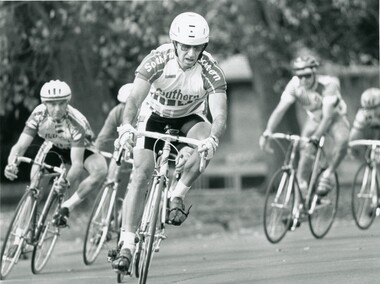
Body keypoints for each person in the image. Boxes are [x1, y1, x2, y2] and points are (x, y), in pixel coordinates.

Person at [111, 12, 227, 273]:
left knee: (206, 142)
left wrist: (212, 139)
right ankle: (127, 244)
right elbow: (134, 99)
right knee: (140, 173)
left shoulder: (210, 70)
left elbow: (219, 114)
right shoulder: (157, 61)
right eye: (185, 46)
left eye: (196, 47)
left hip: (189, 117)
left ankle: (176, 195)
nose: (190, 53)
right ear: (175, 44)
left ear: (203, 48)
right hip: (153, 115)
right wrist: (127, 126)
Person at [4, 80, 108, 228]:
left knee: (101, 169)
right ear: (44, 103)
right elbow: (20, 146)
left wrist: (67, 181)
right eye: (52, 104)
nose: (57, 108)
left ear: (68, 102)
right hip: (53, 146)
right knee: (35, 186)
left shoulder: (76, 122)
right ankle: (19, 237)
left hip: (81, 149)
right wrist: (11, 164)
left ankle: (67, 206)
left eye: (61, 103)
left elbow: (77, 164)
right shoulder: (38, 114)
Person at [259, 55, 350, 198]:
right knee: (305, 152)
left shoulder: (328, 85)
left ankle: (329, 173)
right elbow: (279, 110)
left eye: (307, 76)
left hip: (334, 118)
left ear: (314, 73)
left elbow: (327, 117)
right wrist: (267, 132)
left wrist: (315, 137)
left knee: (342, 140)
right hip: (314, 118)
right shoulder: (295, 85)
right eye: (299, 76)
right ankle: (301, 197)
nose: (303, 80)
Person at [349, 88, 380, 160]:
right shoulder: (362, 116)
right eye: (367, 108)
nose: (371, 112)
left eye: (375, 108)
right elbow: (353, 141)